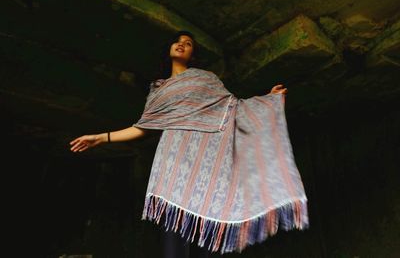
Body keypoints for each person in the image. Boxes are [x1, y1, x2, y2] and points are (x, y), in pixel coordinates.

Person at [70, 31, 308, 257]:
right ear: (170, 49)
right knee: (173, 238)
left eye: (189, 43)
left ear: (192, 55)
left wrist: (269, 101)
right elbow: (143, 127)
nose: (182, 43)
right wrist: (101, 137)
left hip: (206, 162)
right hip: (174, 162)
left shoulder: (205, 78)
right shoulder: (158, 90)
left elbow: (233, 109)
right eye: (178, 41)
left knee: (205, 231)